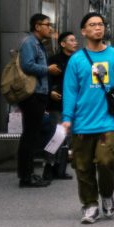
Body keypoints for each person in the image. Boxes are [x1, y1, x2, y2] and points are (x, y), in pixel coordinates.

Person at [61, 12, 114, 224]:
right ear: (84, 31)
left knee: (106, 160)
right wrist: (67, 118)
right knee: (82, 167)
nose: (98, 28)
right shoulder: (76, 60)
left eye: (101, 24)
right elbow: (70, 91)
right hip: (82, 123)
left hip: (107, 122)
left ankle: (107, 193)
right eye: (92, 25)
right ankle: (90, 204)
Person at [16, 13, 61, 188]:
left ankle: (27, 174)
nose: (50, 28)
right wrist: (47, 69)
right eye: (47, 24)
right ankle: (26, 176)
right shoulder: (29, 43)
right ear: (37, 26)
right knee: (29, 135)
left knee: (32, 134)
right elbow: (27, 65)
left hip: (40, 93)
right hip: (32, 94)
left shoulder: (39, 44)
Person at [43, 30, 77, 181]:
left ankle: (61, 169)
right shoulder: (54, 59)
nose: (74, 42)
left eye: (75, 40)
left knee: (67, 137)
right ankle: (48, 167)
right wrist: (49, 92)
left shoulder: (78, 59)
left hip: (72, 103)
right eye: (71, 40)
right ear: (62, 44)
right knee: (56, 135)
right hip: (56, 103)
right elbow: (45, 78)